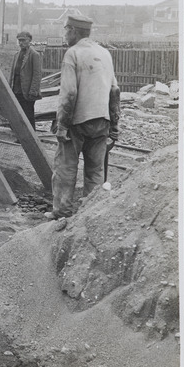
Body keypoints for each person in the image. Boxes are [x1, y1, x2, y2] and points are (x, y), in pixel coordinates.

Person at [48, 15, 120, 221]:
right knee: (95, 171)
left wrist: (62, 125)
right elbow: (115, 91)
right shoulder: (105, 53)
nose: (64, 34)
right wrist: (114, 125)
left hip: (77, 122)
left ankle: (62, 213)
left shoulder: (73, 53)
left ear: (72, 30)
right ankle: (90, 216)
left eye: (64, 30)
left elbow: (69, 93)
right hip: (102, 121)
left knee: (65, 168)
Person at [8, 31, 42, 130]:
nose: (21, 43)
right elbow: (12, 74)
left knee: (28, 115)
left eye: (23, 40)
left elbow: (37, 75)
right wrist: (10, 88)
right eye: (19, 40)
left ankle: (31, 138)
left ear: (29, 40)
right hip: (16, 90)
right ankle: (20, 136)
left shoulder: (34, 55)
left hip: (27, 92)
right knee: (18, 114)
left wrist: (33, 91)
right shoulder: (16, 55)